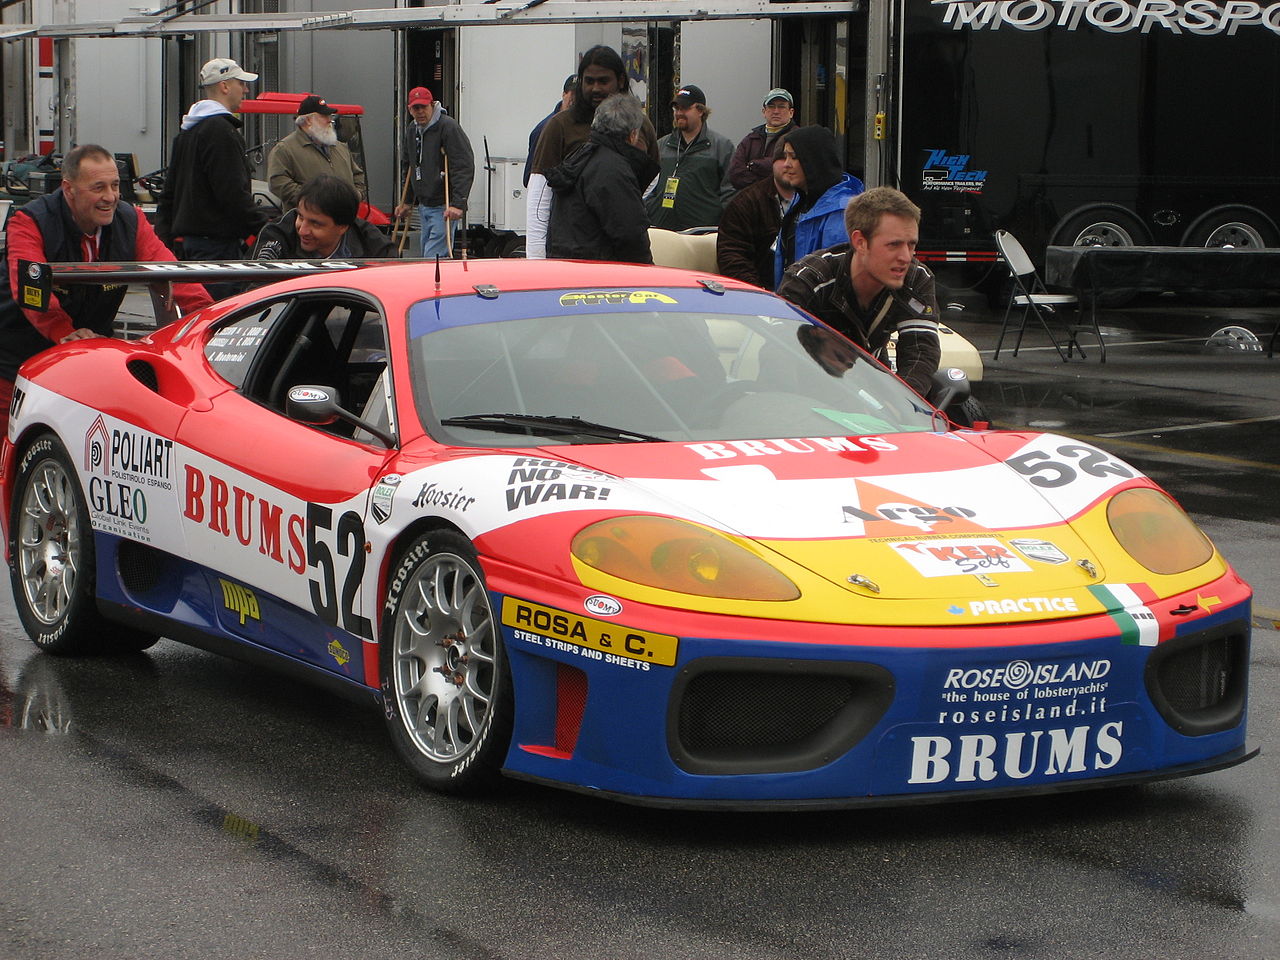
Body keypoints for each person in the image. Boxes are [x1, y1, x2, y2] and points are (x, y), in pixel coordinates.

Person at [0, 144, 213, 432]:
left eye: (115, 185)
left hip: (85, 354)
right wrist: (63, 331)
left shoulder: (131, 219)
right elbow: (30, 288)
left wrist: (209, 322)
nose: (110, 197)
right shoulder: (29, 221)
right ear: (68, 189)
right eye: (98, 187)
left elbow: (172, 274)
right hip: (14, 359)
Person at [777, 186, 940, 397]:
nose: (906, 257)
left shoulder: (917, 277)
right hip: (804, 392)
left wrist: (903, 406)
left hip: (872, 386)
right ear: (860, 242)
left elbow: (920, 352)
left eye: (911, 245)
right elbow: (777, 351)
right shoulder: (809, 280)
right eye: (894, 245)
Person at [525, 45, 659, 259]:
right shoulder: (559, 125)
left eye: (603, 81)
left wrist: (624, 204)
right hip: (572, 250)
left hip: (616, 251)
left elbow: (652, 176)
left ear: (621, 81)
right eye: (589, 81)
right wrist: (536, 259)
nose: (595, 88)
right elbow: (539, 196)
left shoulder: (640, 123)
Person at [154, 57, 268, 299]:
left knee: (196, 316)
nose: (245, 89)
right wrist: (269, 229)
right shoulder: (222, 132)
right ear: (225, 86)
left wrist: (166, 242)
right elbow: (232, 194)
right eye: (241, 83)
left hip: (189, 248)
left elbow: (169, 194)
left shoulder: (187, 132)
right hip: (218, 250)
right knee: (221, 318)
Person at [545, 94, 659, 264]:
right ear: (633, 134)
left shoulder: (580, 157)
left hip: (568, 269)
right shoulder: (613, 169)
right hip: (602, 277)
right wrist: (649, 275)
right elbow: (630, 234)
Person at [774, 125, 864, 286]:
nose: (786, 164)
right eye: (785, 156)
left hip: (814, 308)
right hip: (792, 302)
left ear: (814, 160)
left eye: (793, 157)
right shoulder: (801, 200)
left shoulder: (841, 212)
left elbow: (837, 279)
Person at [392, 86, 475, 259]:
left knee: (432, 258)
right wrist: (407, 201)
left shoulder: (447, 127)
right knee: (426, 255)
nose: (420, 111)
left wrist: (458, 204)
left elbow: (463, 165)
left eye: (424, 107)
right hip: (424, 204)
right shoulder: (412, 129)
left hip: (443, 206)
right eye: (416, 108)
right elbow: (409, 166)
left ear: (432, 105)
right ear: (409, 109)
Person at [645, 84, 735, 232]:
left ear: (700, 111)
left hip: (703, 233)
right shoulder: (661, 145)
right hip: (663, 231)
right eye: (676, 108)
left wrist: (721, 223)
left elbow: (730, 191)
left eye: (685, 108)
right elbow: (646, 187)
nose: (679, 113)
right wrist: (651, 211)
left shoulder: (722, 146)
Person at [255, 175, 396, 260]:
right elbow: (253, 293)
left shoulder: (376, 248)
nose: (303, 231)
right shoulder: (277, 237)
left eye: (315, 224)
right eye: (300, 217)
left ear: (343, 227)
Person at [268, 95, 367, 212]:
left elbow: (358, 176)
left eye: (330, 115)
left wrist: (355, 196)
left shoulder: (340, 147)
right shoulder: (285, 149)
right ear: (308, 120)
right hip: (308, 225)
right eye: (324, 116)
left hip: (344, 223)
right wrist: (316, 201)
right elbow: (278, 183)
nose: (329, 120)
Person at [716, 151, 795, 288]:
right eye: (782, 157)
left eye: (794, 157)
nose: (788, 164)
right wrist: (759, 294)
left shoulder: (821, 201)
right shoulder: (746, 203)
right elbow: (732, 256)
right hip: (760, 296)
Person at [728, 88, 797, 191]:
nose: (776, 111)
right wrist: (763, 186)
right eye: (771, 106)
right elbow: (735, 174)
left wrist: (753, 165)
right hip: (751, 202)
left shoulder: (797, 138)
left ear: (791, 112)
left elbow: (789, 171)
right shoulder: (750, 139)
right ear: (764, 111)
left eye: (781, 107)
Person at [523, 75, 576, 188]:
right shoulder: (544, 129)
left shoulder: (583, 127)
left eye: (580, 96)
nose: (575, 101)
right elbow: (529, 177)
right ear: (564, 94)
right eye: (573, 95)